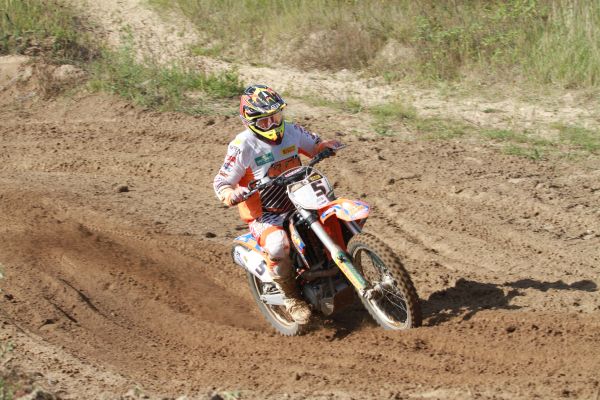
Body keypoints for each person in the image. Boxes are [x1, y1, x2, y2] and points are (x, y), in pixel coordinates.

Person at [213, 84, 341, 324]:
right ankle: (291, 298)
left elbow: (315, 145)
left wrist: (325, 147)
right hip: (266, 213)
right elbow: (221, 181)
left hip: (301, 197)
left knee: (334, 215)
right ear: (250, 122)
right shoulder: (242, 146)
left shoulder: (291, 131)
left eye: (276, 117)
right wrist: (231, 193)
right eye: (265, 121)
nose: (273, 124)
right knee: (278, 245)